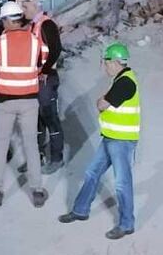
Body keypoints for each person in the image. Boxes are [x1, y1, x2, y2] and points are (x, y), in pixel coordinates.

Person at [59, 42, 140, 239]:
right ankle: (80, 210)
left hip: (121, 142)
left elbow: (102, 104)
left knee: (122, 183)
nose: (104, 67)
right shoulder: (121, 79)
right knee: (92, 172)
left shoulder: (125, 82)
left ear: (114, 62)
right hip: (110, 138)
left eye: (105, 62)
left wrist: (101, 100)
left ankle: (127, 224)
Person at [0, 2, 49, 209]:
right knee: (31, 145)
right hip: (29, 99)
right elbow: (41, 63)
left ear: (7, 20)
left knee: (1, 144)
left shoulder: (0, 41)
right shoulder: (34, 40)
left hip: (4, 99)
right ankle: (37, 190)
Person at [21, 0, 65, 174]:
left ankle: (57, 158)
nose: (23, 10)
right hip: (35, 80)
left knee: (50, 119)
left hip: (46, 80)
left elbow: (56, 49)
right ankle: (36, 158)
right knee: (36, 122)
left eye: (25, 6)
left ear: (35, 4)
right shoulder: (32, 26)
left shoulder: (46, 25)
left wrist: (46, 70)